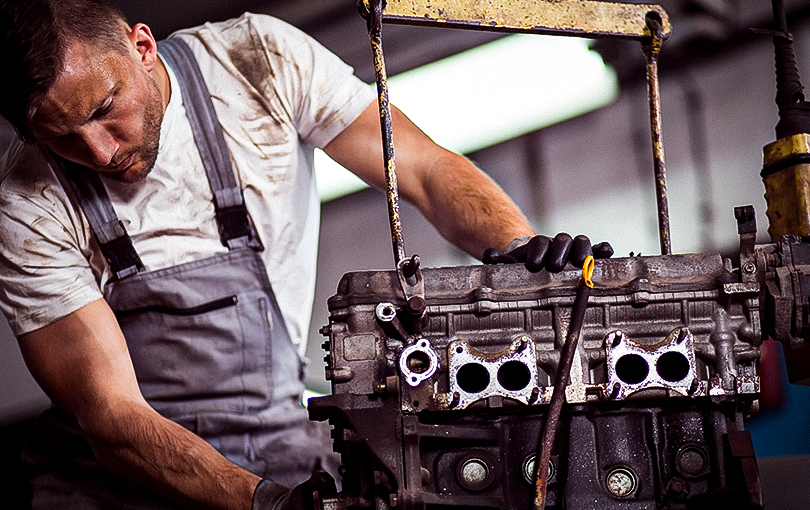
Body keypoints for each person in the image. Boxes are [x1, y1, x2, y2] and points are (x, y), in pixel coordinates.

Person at [0, 1, 609, 509]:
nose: (100, 152)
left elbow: (421, 169)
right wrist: (270, 504)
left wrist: (516, 247)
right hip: (116, 482)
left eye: (106, 111)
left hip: (280, 437)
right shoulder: (27, 205)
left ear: (142, 46)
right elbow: (111, 418)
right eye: (61, 137)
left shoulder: (254, 62)